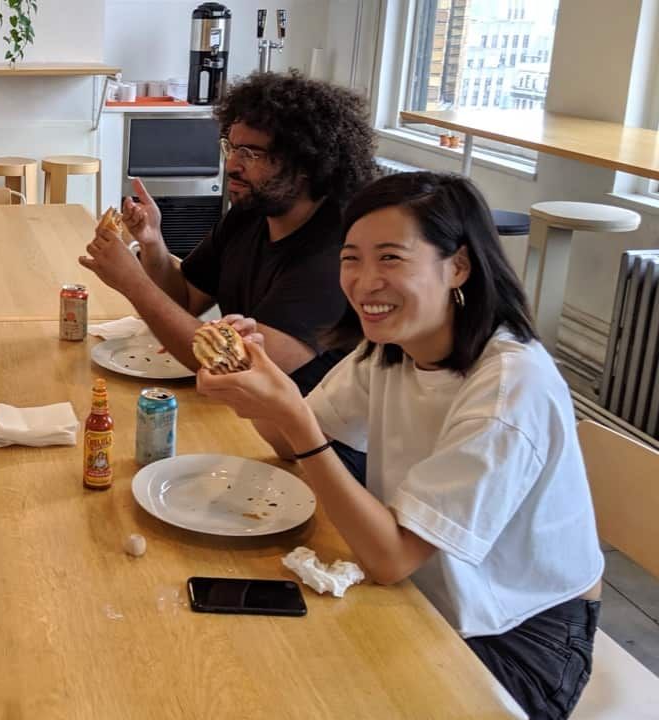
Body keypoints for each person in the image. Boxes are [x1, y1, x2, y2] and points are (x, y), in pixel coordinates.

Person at [197, 171, 603, 720]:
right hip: (423, 591)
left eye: (390, 258)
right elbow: (288, 441)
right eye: (351, 258)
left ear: (457, 265)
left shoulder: (510, 387)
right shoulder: (389, 348)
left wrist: (295, 419)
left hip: (517, 633)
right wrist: (260, 381)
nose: (364, 282)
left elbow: (391, 558)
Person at [79, 70, 376, 480]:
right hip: (251, 425)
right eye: (231, 147)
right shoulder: (251, 214)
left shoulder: (334, 254)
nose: (232, 165)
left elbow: (230, 366)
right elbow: (184, 298)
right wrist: (151, 243)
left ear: (304, 163)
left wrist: (133, 283)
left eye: (252, 154)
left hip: (313, 461)